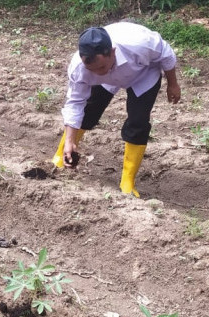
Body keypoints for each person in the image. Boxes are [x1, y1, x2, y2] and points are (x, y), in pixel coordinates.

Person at [51, 22, 181, 197]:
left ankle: (127, 181)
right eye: (92, 69)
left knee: (138, 121)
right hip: (109, 81)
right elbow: (75, 103)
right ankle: (61, 156)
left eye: (101, 67)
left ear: (112, 52)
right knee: (89, 111)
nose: (98, 72)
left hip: (143, 74)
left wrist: (172, 84)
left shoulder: (139, 43)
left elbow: (166, 54)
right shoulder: (80, 68)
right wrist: (69, 141)